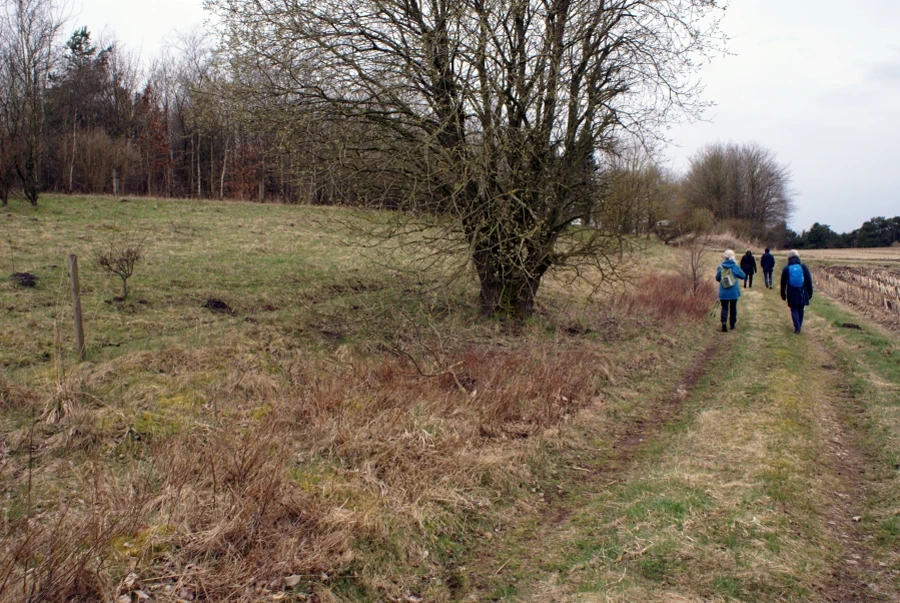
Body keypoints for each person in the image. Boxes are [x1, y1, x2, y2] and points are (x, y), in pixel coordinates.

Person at [780, 249, 814, 334]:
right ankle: (799, 325)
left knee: (794, 309)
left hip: (791, 291)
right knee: (801, 309)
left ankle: (797, 327)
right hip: (802, 291)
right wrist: (810, 293)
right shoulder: (803, 267)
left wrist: (783, 294)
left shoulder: (786, 268)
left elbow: (783, 283)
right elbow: (809, 281)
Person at [716, 250, 746, 332]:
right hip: (733, 292)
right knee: (733, 308)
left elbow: (717, 278)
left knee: (724, 307)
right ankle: (732, 324)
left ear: (725, 257)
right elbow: (743, 276)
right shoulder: (735, 267)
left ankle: (724, 322)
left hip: (723, 292)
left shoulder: (721, 267)